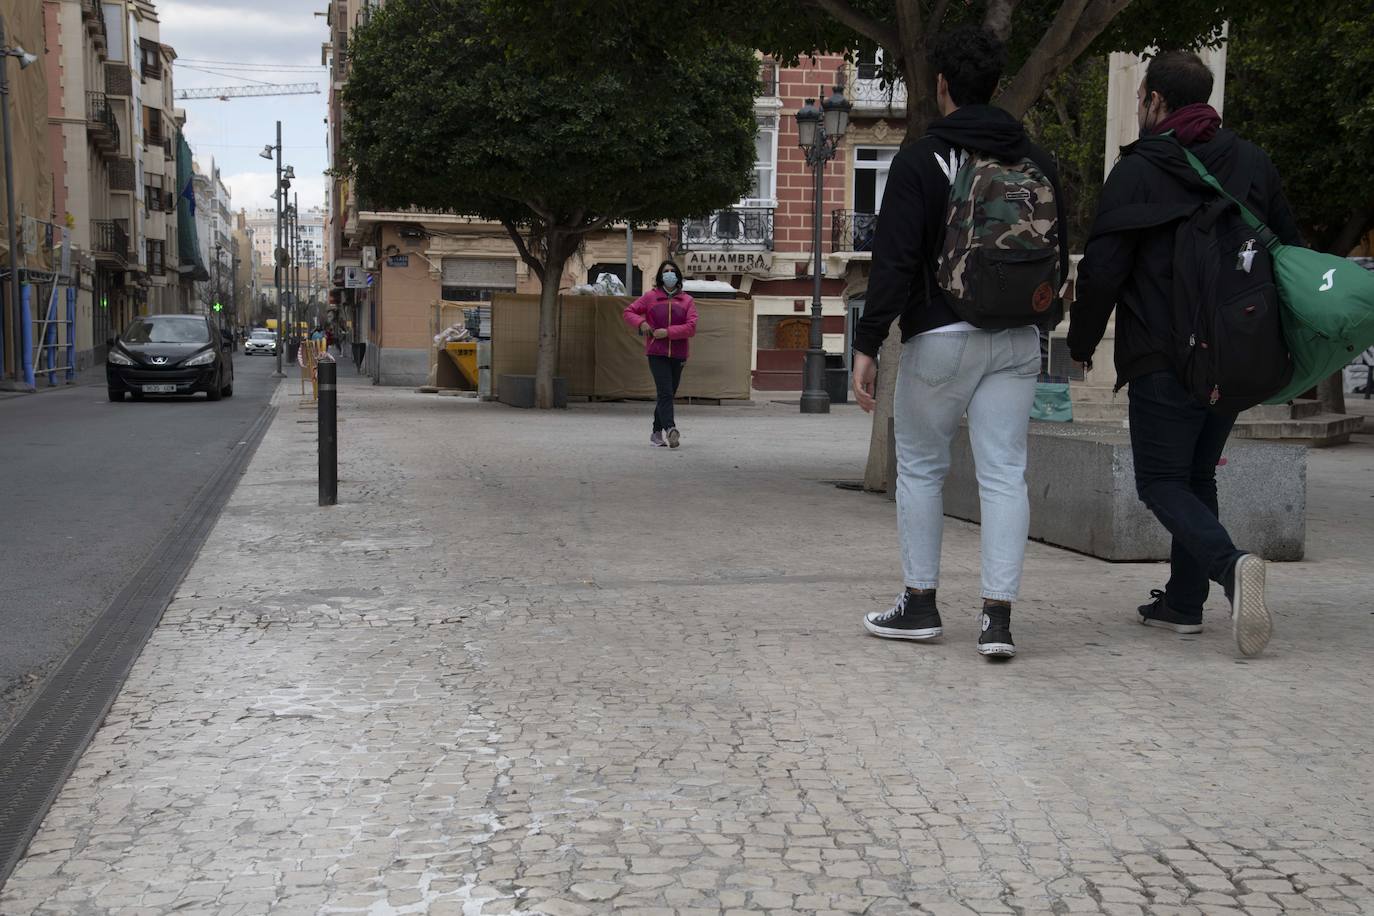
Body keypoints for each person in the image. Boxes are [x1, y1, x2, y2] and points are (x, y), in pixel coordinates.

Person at [1068, 51, 1300, 658]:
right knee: (1197, 474)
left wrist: (1082, 342)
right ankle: (1183, 602)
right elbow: (1289, 252)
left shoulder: (1139, 168)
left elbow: (1104, 269)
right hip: (1233, 353)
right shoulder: (1252, 161)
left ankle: (1230, 566)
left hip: (1162, 352)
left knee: (1162, 481)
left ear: (1153, 101)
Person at [851, 25, 1069, 661]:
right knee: (1005, 472)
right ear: (996, 88)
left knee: (922, 467)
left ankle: (920, 606)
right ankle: (996, 621)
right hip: (1017, 338)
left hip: (940, 334)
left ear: (942, 86)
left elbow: (892, 261)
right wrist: (1043, 323)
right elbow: (1055, 252)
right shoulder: (1036, 160)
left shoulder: (921, 161)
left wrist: (867, 342)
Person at [622, 261, 698, 448]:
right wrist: (641, 323)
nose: (669, 274)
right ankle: (670, 429)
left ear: (678, 276)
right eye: (666, 271)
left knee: (668, 394)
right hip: (657, 353)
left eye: (673, 271)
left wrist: (669, 332)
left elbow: (691, 327)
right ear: (660, 276)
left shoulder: (687, 300)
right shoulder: (650, 297)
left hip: (679, 354)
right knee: (665, 392)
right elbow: (629, 311)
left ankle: (656, 433)